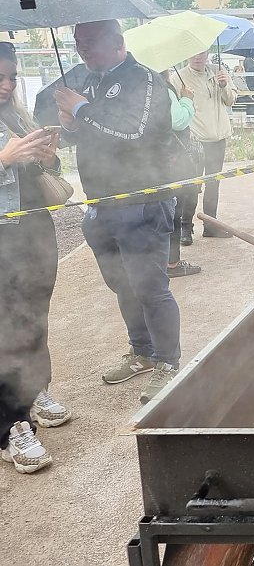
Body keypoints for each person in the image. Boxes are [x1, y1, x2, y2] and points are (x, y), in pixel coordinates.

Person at [54, 20, 182, 404]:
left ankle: (168, 362)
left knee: (150, 287)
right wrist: (70, 126)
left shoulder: (143, 80)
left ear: (118, 42)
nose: (82, 50)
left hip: (142, 201)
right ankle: (141, 350)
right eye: (78, 43)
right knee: (122, 285)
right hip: (101, 204)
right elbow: (94, 133)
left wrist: (81, 109)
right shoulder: (89, 80)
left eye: (90, 42)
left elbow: (133, 133)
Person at [0, 42, 69, 474]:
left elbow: (50, 173)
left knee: (33, 316)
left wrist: (47, 157)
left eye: (11, 77)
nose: (6, 86)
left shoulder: (17, 114)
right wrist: (3, 158)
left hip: (32, 230)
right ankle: (11, 426)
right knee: (5, 329)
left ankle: (33, 388)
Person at [169, 50, 238, 242]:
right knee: (191, 185)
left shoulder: (219, 71)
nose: (198, 57)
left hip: (218, 137)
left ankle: (211, 225)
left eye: (202, 53)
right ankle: (185, 227)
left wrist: (224, 86)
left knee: (213, 184)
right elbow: (174, 108)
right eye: (193, 53)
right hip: (194, 141)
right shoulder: (178, 77)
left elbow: (231, 100)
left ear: (208, 53)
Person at [162, 72, 202, 277]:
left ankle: (156, 261)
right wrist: (186, 99)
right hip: (171, 160)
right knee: (173, 209)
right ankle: (172, 263)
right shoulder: (163, 88)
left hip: (146, 162)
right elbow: (178, 121)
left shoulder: (133, 86)